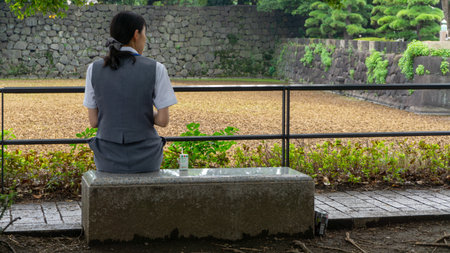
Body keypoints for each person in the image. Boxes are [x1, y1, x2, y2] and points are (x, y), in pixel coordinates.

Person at [83, 11, 177, 173]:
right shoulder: (156, 68)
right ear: (136, 34)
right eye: (144, 34)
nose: (145, 39)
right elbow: (162, 121)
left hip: (107, 156)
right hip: (146, 157)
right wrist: (141, 111)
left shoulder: (94, 69)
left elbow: (94, 122)